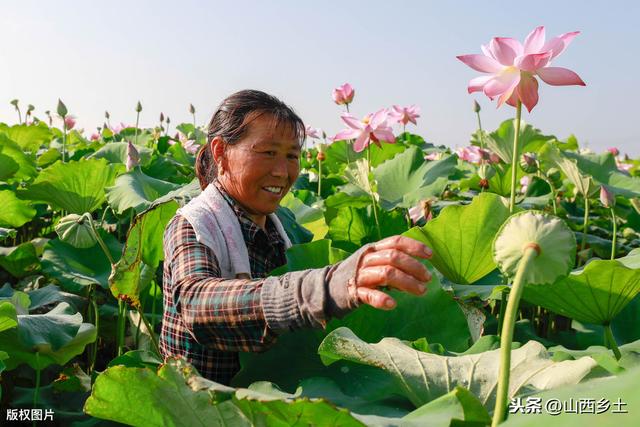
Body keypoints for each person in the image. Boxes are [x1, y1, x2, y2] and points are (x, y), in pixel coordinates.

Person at [160, 89, 433, 384]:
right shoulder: (193, 224)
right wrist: (324, 288)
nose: (282, 171)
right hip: (202, 403)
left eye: (292, 156)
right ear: (220, 152)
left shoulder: (283, 229)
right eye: (268, 153)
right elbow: (196, 305)